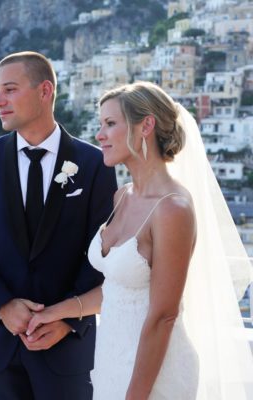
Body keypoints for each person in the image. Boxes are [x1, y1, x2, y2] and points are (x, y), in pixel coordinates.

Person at [26, 81, 253, 399]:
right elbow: (121, 289)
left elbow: (163, 315)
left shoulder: (172, 208)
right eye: (100, 124)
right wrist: (56, 312)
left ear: (146, 125)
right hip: (110, 362)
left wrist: (136, 395)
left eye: (110, 123)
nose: (99, 135)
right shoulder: (122, 197)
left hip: (154, 375)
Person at [0, 51, 118, 400]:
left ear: (45, 91)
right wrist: (2, 306)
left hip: (64, 348)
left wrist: (67, 320)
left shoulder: (94, 164)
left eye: (9, 89)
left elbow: (103, 251)